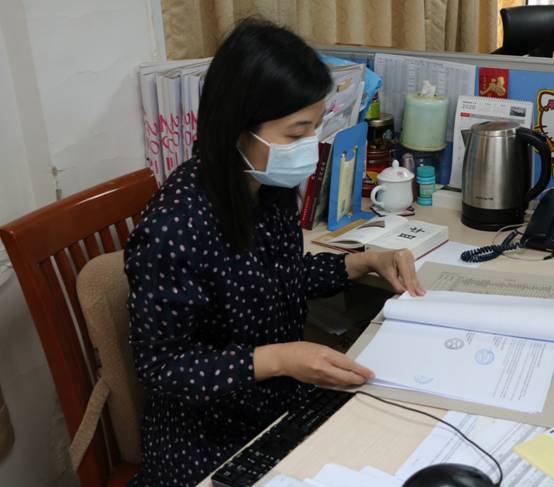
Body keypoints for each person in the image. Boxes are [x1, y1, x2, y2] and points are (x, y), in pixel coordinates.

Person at [124, 18, 425, 487]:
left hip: (275, 405)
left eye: (314, 128)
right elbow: (163, 367)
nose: (309, 148)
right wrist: (280, 359)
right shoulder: (174, 226)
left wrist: (361, 261)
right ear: (237, 128)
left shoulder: (267, 186)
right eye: (295, 133)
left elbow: (276, 279)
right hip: (207, 439)